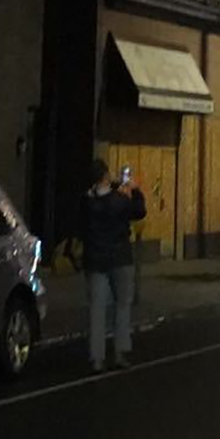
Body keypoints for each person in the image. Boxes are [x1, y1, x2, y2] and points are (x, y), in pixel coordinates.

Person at [82, 159, 147, 373]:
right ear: (105, 176)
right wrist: (135, 190)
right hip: (119, 257)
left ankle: (97, 358)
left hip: (95, 259)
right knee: (122, 306)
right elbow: (139, 211)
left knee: (97, 309)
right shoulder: (119, 200)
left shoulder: (86, 202)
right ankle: (119, 353)